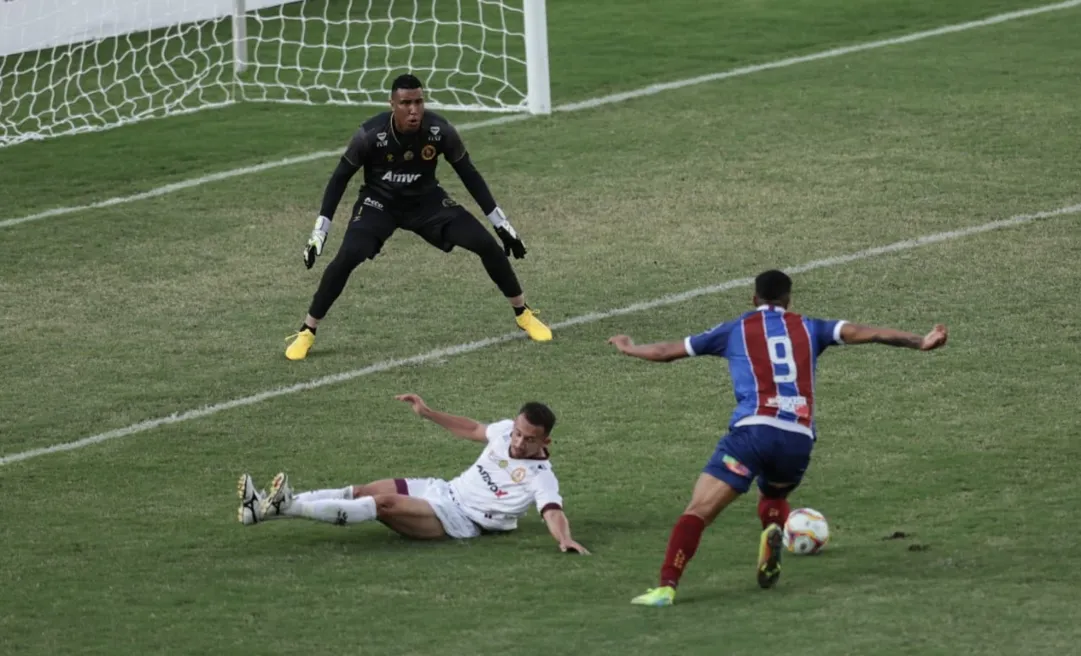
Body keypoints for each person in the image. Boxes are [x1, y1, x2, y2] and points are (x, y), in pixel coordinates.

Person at [607, 269, 948, 606]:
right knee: (773, 491)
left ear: (754, 299)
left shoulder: (736, 328)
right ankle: (772, 528)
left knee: (698, 511)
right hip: (798, 440)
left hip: (753, 432)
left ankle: (667, 586)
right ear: (789, 299)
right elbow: (865, 331)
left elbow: (667, 351)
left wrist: (630, 348)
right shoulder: (811, 327)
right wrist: (920, 341)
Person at [285, 73, 552, 360]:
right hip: (379, 203)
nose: (413, 110)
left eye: (418, 102)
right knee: (348, 256)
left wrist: (501, 224)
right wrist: (319, 232)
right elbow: (339, 179)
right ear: (392, 104)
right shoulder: (370, 135)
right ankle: (307, 331)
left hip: (427, 203)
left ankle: (523, 313)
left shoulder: (439, 131)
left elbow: (469, 175)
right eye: (405, 103)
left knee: (485, 244)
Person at [236, 394, 589, 553]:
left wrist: (564, 539)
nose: (518, 443)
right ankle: (260, 508)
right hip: (442, 490)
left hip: (462, 520)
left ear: (545, 441)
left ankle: (286, 506)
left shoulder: (541, 475)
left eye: (529, 440)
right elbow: (471, 429)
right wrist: (428, 412)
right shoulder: (503, 432)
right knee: (363, 489)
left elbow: (552, 511)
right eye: (517, 433)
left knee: (384, 503)